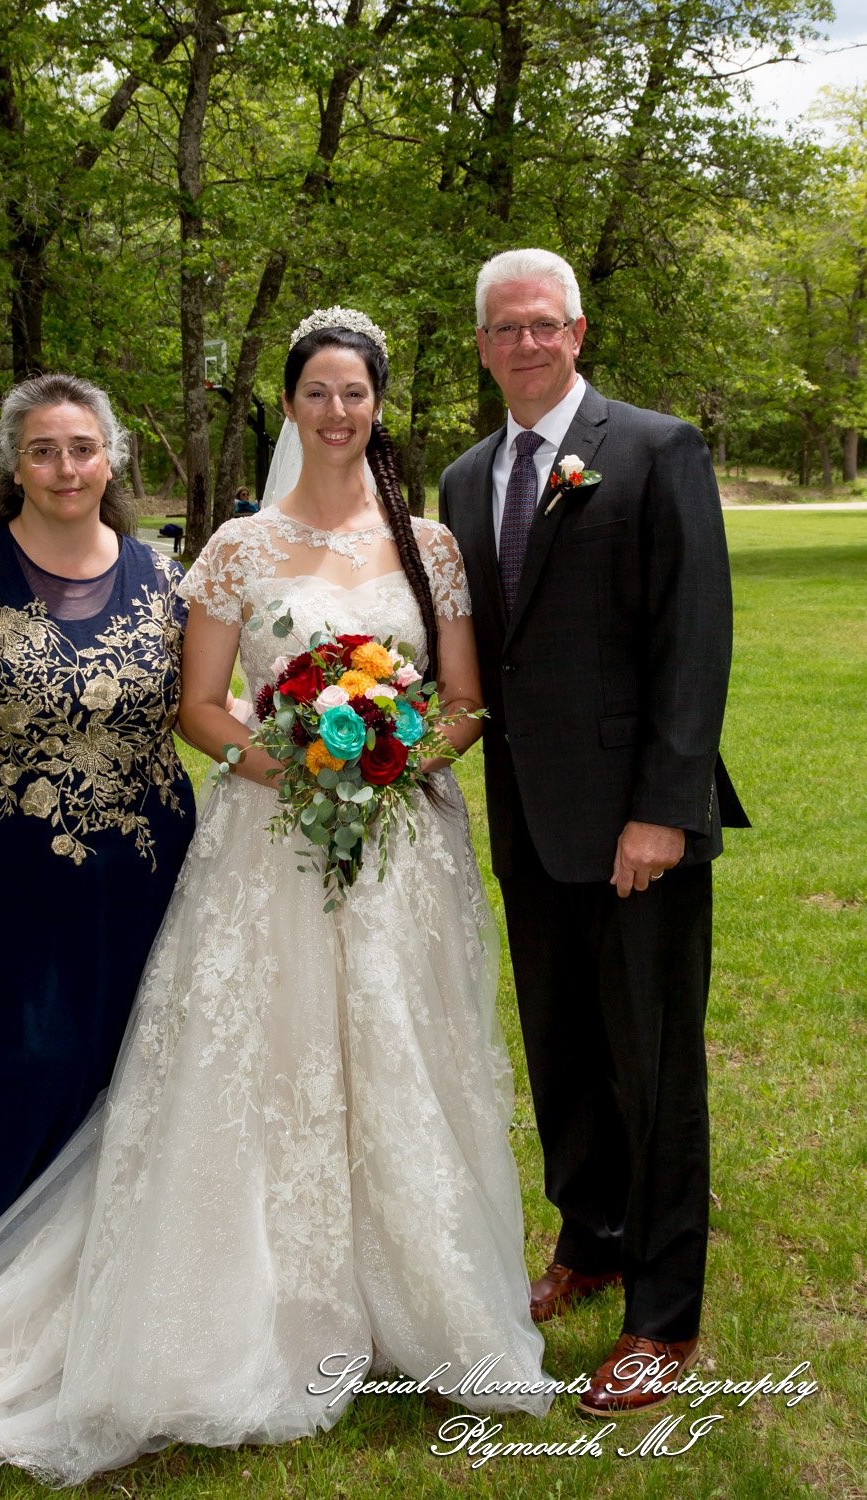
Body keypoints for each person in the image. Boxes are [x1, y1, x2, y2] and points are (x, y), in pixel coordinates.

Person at [0, 312, 550, 1498]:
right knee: (263, 1060)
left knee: (404, 1057)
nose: (335, 411)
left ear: (377, 405)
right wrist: (290, 764)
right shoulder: (235, 547)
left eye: (354, 393)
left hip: (398, 849)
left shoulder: (430, 546)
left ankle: (419, 1293)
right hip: (265, 841)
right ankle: (250, 1301)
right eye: (315, 392)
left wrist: (393, 763)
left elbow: (461, 702)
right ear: (288, 406)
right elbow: (201, 706)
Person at [439, 248, 749, 1417]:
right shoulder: (464, 479)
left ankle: (661, 1317)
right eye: (502, 328)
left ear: (575, 331)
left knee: (652, 1066)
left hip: (636, 827)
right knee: (563, 1052)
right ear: (481, 347)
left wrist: (661, 809)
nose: (524, 343)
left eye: (542, 324)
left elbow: (692, 636)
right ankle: (592, 1240)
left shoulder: (656, 449)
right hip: (528, 822)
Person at [0, 371, 196, 1290]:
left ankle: (118, 1276)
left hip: (146, 875)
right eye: (43, 452)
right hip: (3, 881)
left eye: (82, 449)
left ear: (112, 460)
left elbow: (204, 710)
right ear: (14, 467)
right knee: (13, 1068)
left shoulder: (167, 581)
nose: (65, 468)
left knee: (130, 1066)